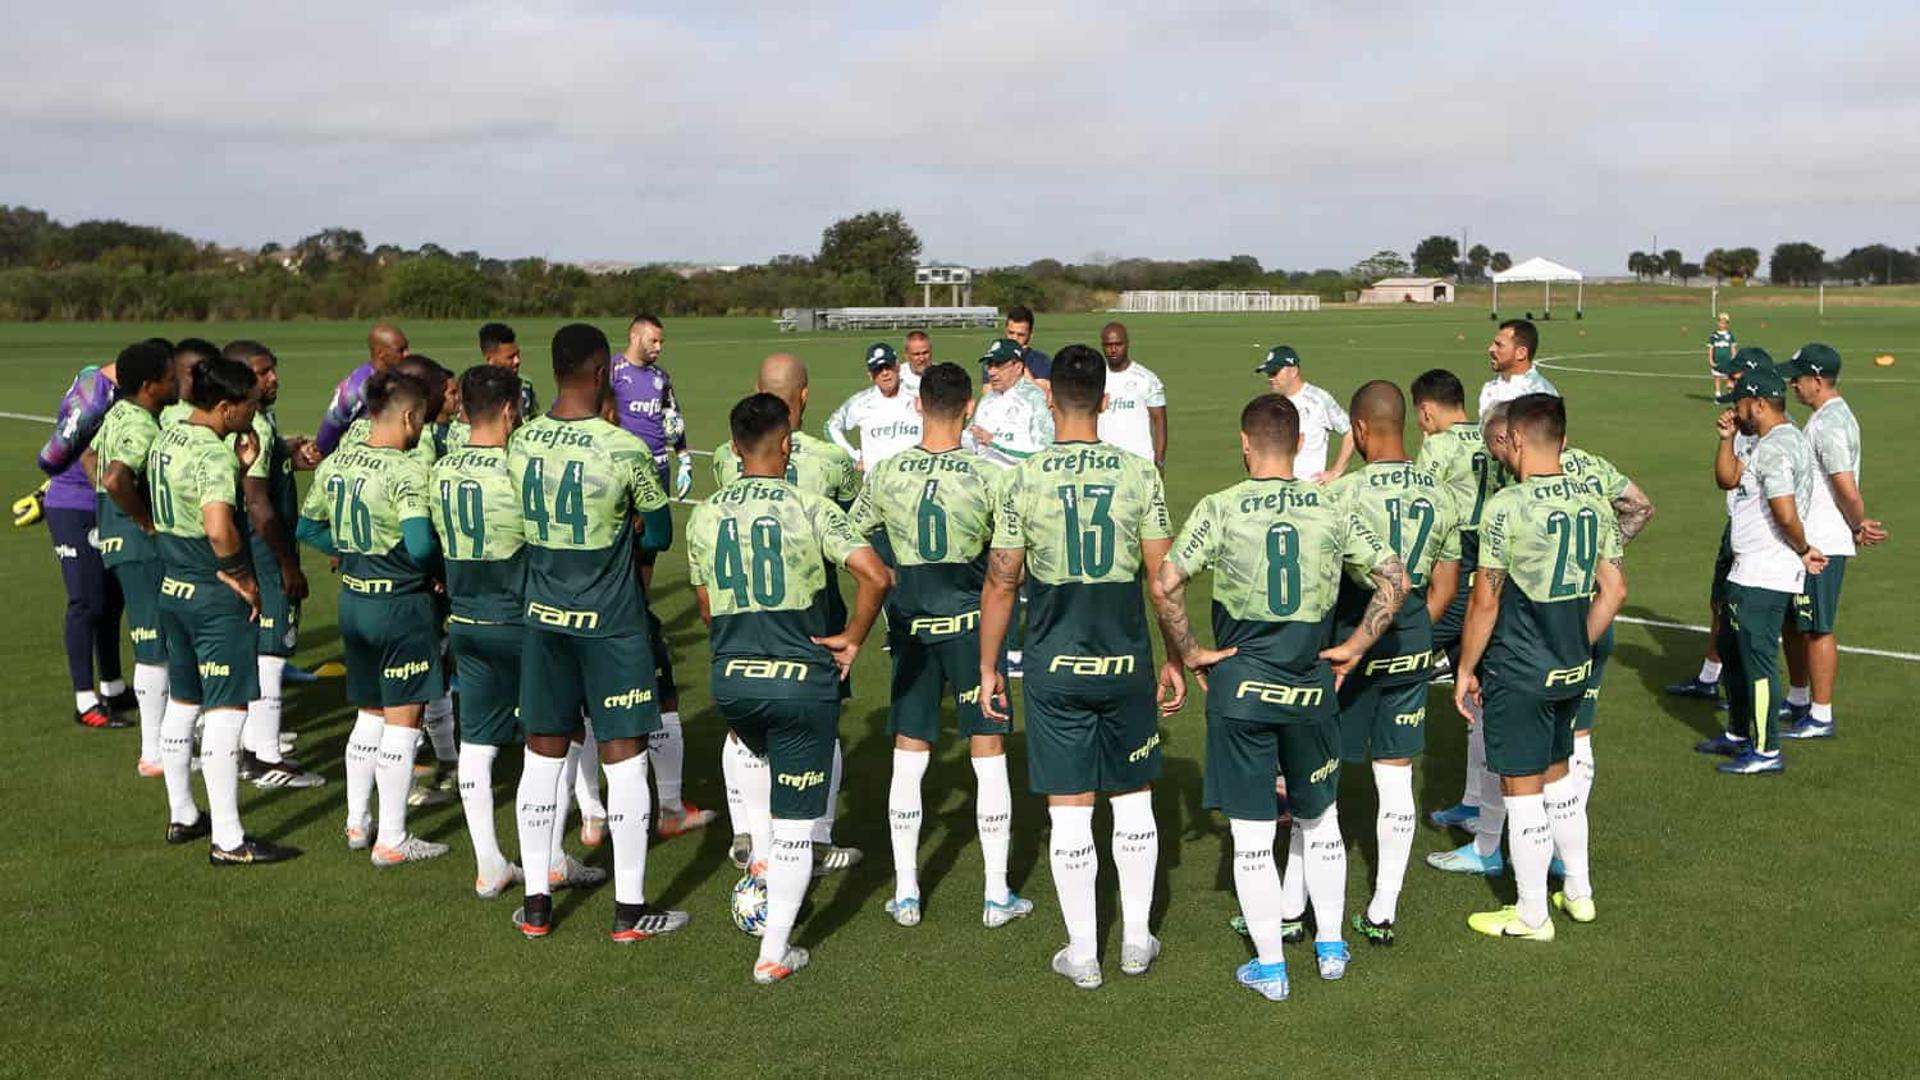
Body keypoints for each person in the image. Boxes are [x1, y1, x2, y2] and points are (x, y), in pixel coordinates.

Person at [1155, 388, 1408, 998]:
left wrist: (1190, 654)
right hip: (1309, 686)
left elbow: (1165, 588)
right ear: (1298, 445)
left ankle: (1270, 968)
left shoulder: (1220, 507)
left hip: (1241, 686)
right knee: (1321, 821)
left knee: (1251, 834)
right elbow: (1395, 580)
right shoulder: (1330, 508)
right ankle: (1330, 948)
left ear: (1244, 444)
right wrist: (1353, 647)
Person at [978, 344, 1179, 990]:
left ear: (1048, 397)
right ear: (1107, 399)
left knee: (1070, 808)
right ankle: (1139, 939)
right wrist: (1177, 655)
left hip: (1053, 662)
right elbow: (1163, 580)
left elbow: (1003, 582)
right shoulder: (1140, 473)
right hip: (1124, 658)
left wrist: (988, 668)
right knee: (1132, 798)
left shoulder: (1023, 477)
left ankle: (1085, 951)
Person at [689, 392, 891, 983]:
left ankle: (758, 859)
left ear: (731, 449)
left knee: (755, 753)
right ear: (785, 447)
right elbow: (876, 575)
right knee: (800, 821)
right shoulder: (810, 505)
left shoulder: (705, 512)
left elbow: (705, 603)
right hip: (800, 680)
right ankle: (775, 952)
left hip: (731, 680)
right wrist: (852, 637)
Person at [507, 323, 686, 942]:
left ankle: (535, 906)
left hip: (544, 621)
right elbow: (659, 535)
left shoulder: (521, 441)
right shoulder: (625, 449)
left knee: (542, 757)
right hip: (611, 624)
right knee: (624, 758)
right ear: (599, 373)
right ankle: (630, 912)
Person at [1431, 396, 1653, 882]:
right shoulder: (1592, 489)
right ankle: (1577, 884)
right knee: (1565, 763)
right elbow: (1624, 557)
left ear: (1512, 439)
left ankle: (1527, 903)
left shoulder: (1507, 503)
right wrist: (1577, 634)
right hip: (1578, 634)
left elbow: (1484, 602)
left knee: (1522, 781)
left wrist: (1465, 668)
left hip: (1526, 648)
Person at [848, 362, 1030, 929]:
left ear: (917, 405)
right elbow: (1008, 570)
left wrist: (895, 579)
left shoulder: (885, 474)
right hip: (976, 628)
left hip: (910, 628)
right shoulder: (991, 478)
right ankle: (996, 894)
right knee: (987, 749)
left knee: (910, 752)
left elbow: (852, 538)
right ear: (969, 407)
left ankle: (906, 894)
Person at [712, 355, 862, 872]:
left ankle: (749, 835)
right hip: (813, 608)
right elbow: (851, 521)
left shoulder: (724, 459)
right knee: (821, 720)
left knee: (744, 726)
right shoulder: (830, 461)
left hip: (740, 604)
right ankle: (814, 838)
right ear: (805, 395)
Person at [149, 356, 300, 864]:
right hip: (212, 593)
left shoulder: (168, 436)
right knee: (227, 711)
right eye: (249, 407)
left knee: (184, 701)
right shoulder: (212, 455)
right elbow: (217, 525)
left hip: (171, 583)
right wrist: (241, 576)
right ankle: (230, 840)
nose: (253, 415)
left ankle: (184, 814)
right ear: (225, 406)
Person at [1326, 381, 1460, 946]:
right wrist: (1411, 631)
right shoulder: (1443, 494)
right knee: (1396, 780)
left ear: (1358, 430)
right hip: (1411, 643)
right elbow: (1447, 588)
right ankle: (1383, 909)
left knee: (1321, 780)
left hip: (1347, 650)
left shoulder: (1344, 494)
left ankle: (1292, 908)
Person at [297, 371, 447, 865]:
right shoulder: (406, 471)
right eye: (421, 419)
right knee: (404, 723)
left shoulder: (337, 462)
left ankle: (357, 822)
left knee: (368, 714)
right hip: (399, 604)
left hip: (354, 601)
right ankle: (393, 838)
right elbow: (422, 545)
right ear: (408, 416)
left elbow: (305, 526)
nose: (422, 428)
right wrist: (435, 573)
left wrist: (343, 552)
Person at [1694, 367, 1825, 774]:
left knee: (1757, 661)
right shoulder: (1762, 442)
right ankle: (1737, 732)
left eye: (1739, 405)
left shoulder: (1779, 447)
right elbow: (1727, 479)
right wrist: (1726, 439)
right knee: (1733, 652)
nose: (1735, 411)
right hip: (1746, 568)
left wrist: (1803, 548)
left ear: (1760, 404)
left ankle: (1766, 749)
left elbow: (1784, 510)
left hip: (1766, 574)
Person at [433, 365, 529, 898]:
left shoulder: (441, 469)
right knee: (550, 735)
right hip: (517, 616)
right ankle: (552, 855)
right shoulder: (516, 469)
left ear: (464, 409)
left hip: (465, 617)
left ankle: (488, 862)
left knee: (478, 739)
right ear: (512, 410)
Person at [610, 313, 702, 841]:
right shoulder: (616, 374)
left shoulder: (660, 380)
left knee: (646, 561)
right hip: (623, 480)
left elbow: (672, 417)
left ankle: (637, 607)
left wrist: (684, 456)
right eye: (654, 338)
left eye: (663, 339)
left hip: (656, 480)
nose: (660, 345)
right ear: (634, 335)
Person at [221, 341, 324, 789]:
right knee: (271, 652)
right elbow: (259, 504)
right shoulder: (255, 428)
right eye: (263, 373)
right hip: (265, 552)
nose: (274, 379)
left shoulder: (250, 424)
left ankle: (255, 744)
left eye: (274, 370)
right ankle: (265, 758)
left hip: (246, 551)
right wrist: (288, 565)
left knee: (259, 650)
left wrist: (285, 454)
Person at [1779, 345, 1887, 739]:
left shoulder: (1830, 424)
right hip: (1809, 540)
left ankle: (1820, 714)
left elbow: (1846, 485)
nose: (1792, 383)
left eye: (1798, 377)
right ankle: (1797, 698)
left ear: (1818, 380)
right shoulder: (1826, 417)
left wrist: (1858, 524)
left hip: (1823, 542)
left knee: (1817, 627)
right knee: (1795, 622)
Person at [1410, 369, 1501, 829]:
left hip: (1457, 558)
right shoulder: (1491, 438)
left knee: (1403, 646)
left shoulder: (1438, 445)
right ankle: (1476, 801)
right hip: (1494, 559)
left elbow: (1421, 504)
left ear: (1426, 411)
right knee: (1480, 693)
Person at [1666, 347, 1773, 703]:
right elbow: (1727, 479)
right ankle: (1710, 677)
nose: (1729, 381)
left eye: (1736, 376)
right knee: (1719, 605)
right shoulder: (1740, 425)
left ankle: (1742, 686)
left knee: (1747, 615)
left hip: (1761, 535)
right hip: (1736, 527)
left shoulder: (1770, 432)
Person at [92, 341, 179, 773]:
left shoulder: (117, 415)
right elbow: (113, 477)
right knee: (154, 644)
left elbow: (92, 457)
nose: (177, 381)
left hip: (116, 536)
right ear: (150, 385)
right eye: (170, 375)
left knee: (152, 640)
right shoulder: (142, 425)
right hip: (138, 545)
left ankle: (159, 745)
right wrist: (145, 522)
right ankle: (155, 751)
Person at [36, 348, 131, 729]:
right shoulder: (98, 395)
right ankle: (85, 700)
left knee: (110, 601)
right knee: (86, 602)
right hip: (76, 506)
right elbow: (83, 454)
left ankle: (112, 686)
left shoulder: (100, 382)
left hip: (98, 505)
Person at [1255, 346, 1352, 482]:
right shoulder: (1271, 404)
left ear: (1293, 371)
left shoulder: (1318, 400)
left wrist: (1336, 471)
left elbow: (1350, 431)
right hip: (1277, 489)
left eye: (1275, 372)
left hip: (1309, 491)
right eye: (1269, 373)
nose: (1271, 378)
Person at [823, 342, 923, 472]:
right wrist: (854, 456)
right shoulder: (861, 403)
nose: (885, 373)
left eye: (888, 367)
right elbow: (831, 427)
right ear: (870, 375)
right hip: (876, 486)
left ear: (898, 366)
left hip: (914, 481)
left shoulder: (919, 396)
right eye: (878, 369)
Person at [315, 323, 409, 455]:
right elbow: (329, 430)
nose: (407, 354)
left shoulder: (405, 378)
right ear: (381, 353)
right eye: (400, 350)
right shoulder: (356, 388)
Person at [1096, 322, 1167, 468]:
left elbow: (1159, 422)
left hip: (1139, 463)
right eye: (1108, 345)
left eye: (1118, 344)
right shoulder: (1094, 379)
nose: (1113, 350)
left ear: (1127, 344)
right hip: (1103, 463)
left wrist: (1159, 461)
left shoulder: (1147, 379)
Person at [1479, 319, 1559, 417]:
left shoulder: (1539, 394)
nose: (1491, 349)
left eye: (1499, 345)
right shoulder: (1490, 388)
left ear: (1521, 353)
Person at [479, 321, 539, 418]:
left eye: (518, 354)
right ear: (490, 359)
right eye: (510, 357)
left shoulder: (525, 385)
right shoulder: (475, 389)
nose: (517, 361)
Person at [1004, 304, 1051, 383]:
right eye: (1011, 333)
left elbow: (1041, 393)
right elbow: (989, 393)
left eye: (1021, 335)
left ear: (1030, 336)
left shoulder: (1041, 361)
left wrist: (1019, 363)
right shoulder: (994, 360)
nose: (1015, 338)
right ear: (1005, 331)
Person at [1707, 313, 1737, 397]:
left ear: (1727, 324)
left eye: (1724, 323)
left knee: (1729, 376)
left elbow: (1733, 347)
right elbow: (1711, 348)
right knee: (1717, 376)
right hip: (1717, 360)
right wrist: (1710, 360)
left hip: (1727, 360)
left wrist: (1734, 357)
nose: (1722, 324)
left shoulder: (1730, 335)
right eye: (1720, 322)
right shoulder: (1714, 335)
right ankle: (1718, 394)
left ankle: (1729, 393)